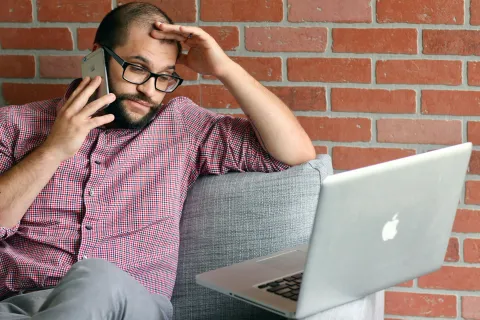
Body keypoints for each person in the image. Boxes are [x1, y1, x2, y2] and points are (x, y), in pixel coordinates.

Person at [0, 2, 315, 319]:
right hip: (17, 307)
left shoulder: (182, 127)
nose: (149, 90)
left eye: (164, 77)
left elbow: (294, 151)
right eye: (137, 68)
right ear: (97, 56)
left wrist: (224, 68)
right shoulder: (14, 125)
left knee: (95, 277)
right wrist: (53, 150)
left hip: (128, 306)